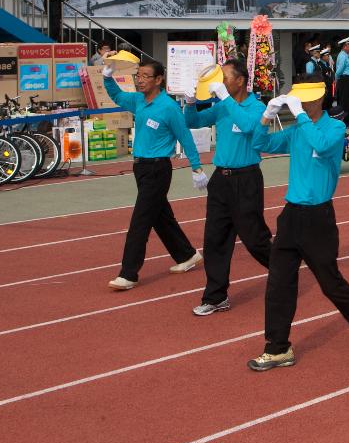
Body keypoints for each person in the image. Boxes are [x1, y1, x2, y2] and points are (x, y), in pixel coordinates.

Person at [247, 79, 349, 370]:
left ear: (320, 100)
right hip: (291, 215)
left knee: (329, 282)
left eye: (307, 100)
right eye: (299, 101)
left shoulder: (335, 129)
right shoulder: (296, 130)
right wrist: (266, 117)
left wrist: (302, 116)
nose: (302, 104)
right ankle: (278, 347)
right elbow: (259, 144)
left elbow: (320, 143)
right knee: (279, 283)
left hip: (319, 218)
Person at [103, 59, 208, 290]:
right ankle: (187, 255)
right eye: (137, 76)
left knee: (140, 221)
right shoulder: (138, 100)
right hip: (140, 167)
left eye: (145, 76)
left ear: (159, 80)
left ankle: (128, 273)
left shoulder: (169, 107)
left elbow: (185, 137)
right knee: (161, 218)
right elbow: (118, 96)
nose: (139, 80)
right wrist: (108, 77)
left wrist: (196, 167)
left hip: (158, 169)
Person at [184, 59, 272, 316]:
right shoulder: (223, 106)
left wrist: (225, 99)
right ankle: (215, 296)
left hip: (246, 179)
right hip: (220, 180)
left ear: (241, 80)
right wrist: (190, 102)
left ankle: (284, 270)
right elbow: (194, 121)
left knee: (255, 239)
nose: (220, 82)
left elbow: (248, 126)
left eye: (225, 77)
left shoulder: (257, 107)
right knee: (215, 240)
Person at [333, 37, 349, 132]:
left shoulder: (345, 55)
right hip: (345, 80)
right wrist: (336, 80)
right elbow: (339, 70)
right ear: (345, 46)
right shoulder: (343, 56)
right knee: (345, 102)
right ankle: (346, 122)